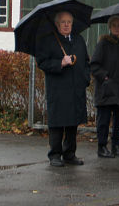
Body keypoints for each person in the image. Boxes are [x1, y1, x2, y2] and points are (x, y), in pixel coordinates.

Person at [35, 10, 90, 167]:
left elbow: (86, 62)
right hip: (58, 88)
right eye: (63, 22)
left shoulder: (79, 40)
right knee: (57, 123)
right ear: (57, 24)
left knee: (73, 123)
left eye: (69, 22)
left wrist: (85, 78)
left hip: (75, 88)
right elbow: (42, 62)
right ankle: (55, 154)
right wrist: (60, 63)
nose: (66, 25)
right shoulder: (49, 41)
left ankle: (70, 153)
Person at [90, 15, 119, 158]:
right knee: (103, 120)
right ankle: (102, 146)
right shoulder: (103, 44)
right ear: (110, 27)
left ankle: (116, 145)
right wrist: (105, 77)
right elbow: (94, 65)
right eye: (114, 25)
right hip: (106, 87)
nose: (117, 28)